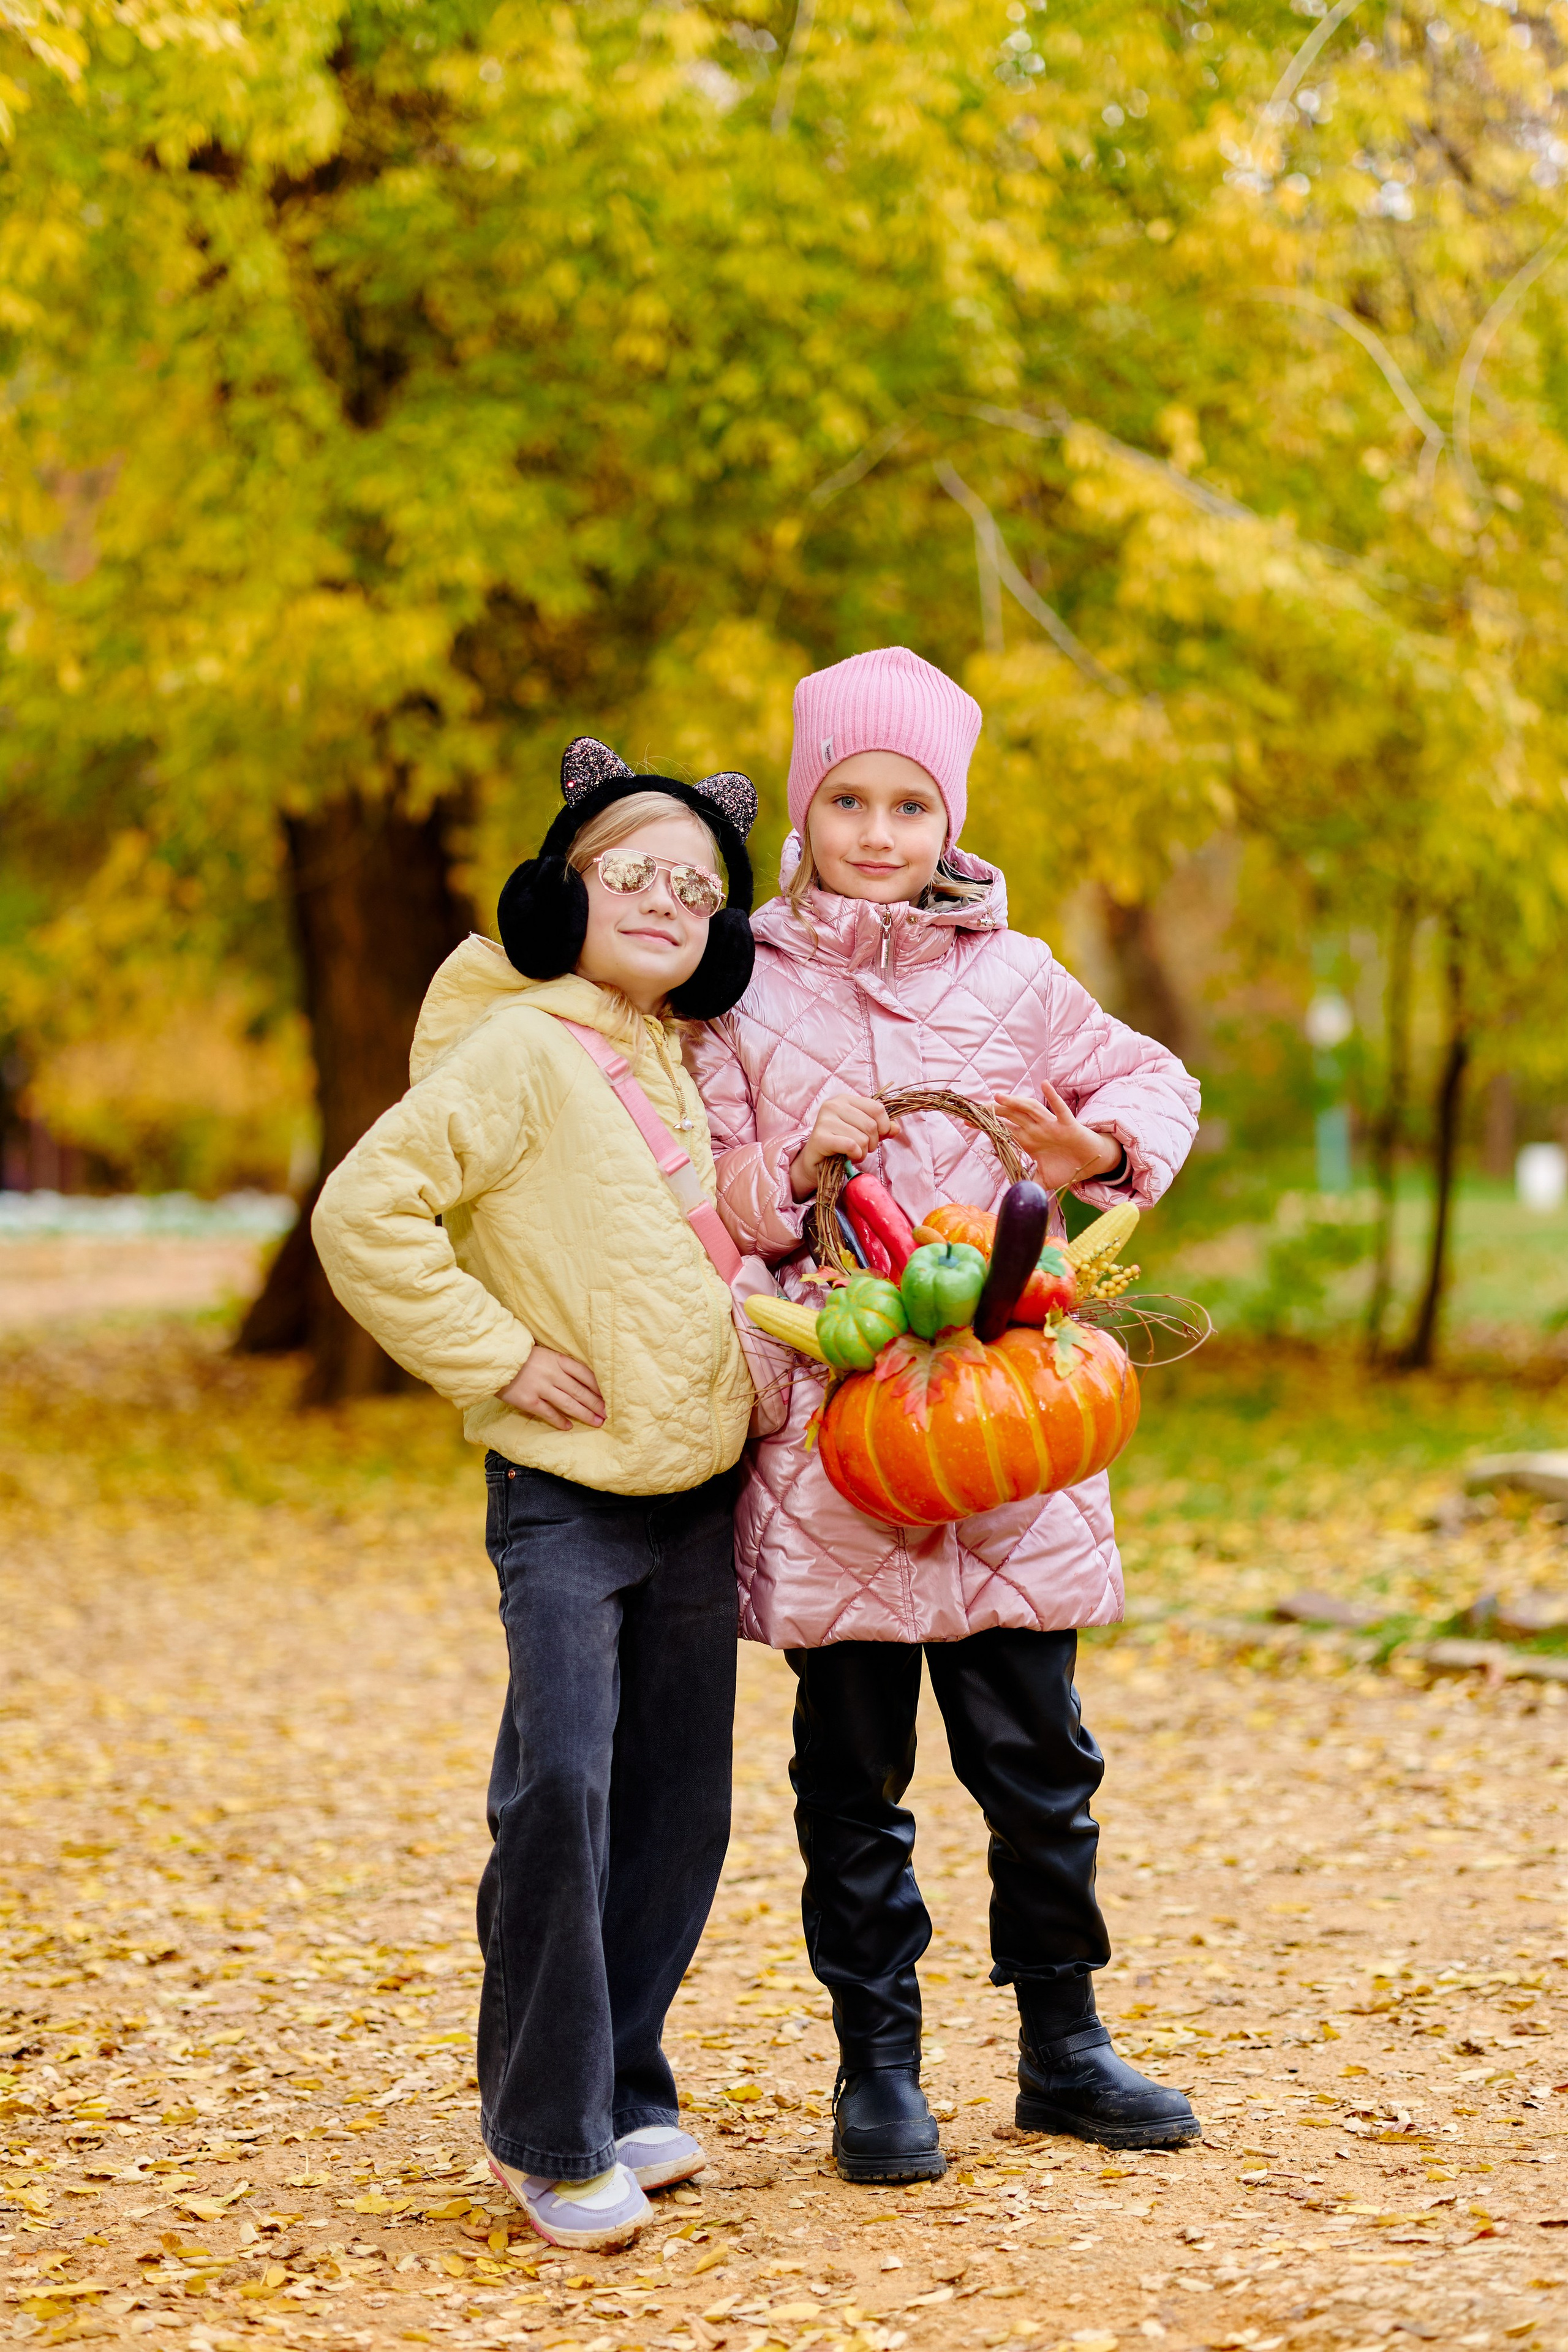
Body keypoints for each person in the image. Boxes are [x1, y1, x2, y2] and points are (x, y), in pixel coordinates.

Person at [686, 646, 1203, 2182]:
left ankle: (1064, 2041)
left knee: (1038, 1759)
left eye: (908, 805)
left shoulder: (1017, 976)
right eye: (847, 799)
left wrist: (1092, 1148)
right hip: (841, 1432)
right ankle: (877, 2066)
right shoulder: (737, 980)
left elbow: (1153, 1080)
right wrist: (789, 1160)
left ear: (948, 820)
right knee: (851, 1777)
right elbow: (701, 1181)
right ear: (804, 806)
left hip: (1006, 1414)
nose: (877, 831)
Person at [312, 736, 761, 2248]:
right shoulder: (517, 1053)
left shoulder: (673, 1057)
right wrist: (496, 1353)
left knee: (676, 1808)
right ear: (558, 893)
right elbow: (364, 1211)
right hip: (565, 1493)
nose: (664, 899)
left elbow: (682, 1240)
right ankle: (547, 2131)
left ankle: (623, 2082)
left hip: (695, 1487)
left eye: (695, 888)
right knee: (561, 1787)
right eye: (630, 870)